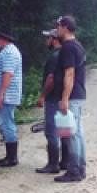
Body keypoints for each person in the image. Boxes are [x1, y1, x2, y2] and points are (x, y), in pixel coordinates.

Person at [52, 15, 88, 183]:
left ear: (65, 27)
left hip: (72, 96)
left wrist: (65, 97)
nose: (56, 29)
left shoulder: (68, 47)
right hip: (78, 95)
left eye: (58, 26)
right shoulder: (78, 46)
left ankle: (74, 171)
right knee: (78, 133)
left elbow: (69, 72)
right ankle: (80, 168)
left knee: (72, 134)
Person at [0, 28, 23, 168]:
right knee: (5, 124)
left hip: (7, 96)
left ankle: (12, 158)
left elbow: (8, 74)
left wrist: (1, 94)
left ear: (4, 39)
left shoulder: (9, 53)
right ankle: (10, 156)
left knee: (6, 124)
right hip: (7, 95)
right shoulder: (7, 52)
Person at [35, 29, 69, 174]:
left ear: (54, 39)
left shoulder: (54, 57)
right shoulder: (65, 54)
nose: (46, 41)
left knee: (51, 132)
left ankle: (52, 164)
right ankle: (65, 161)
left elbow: (50, 79)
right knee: (64, 130)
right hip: (63, 98)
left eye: (48, 38)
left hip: (53, 99)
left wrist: (42, 96)